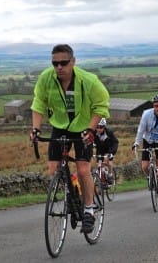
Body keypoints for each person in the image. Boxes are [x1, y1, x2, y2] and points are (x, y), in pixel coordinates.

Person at [30, 44, 109, 233]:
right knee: (54, 169)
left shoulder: (89, 80)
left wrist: (91, 129)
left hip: (83, 127)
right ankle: (73, 193)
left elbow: (101, 106)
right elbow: (39, 103)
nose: (59, 67)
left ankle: (88, 209)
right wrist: (35, 128)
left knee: (83, 169)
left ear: (73, 62)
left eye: (63, 63)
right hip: (59, 126)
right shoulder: (46, 78)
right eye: (55, 63)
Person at [132, 94, 158, 200]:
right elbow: (141, 130)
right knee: (145, 166)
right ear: (153, 106)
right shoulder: (146, 114)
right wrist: (136, 143)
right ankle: (152, 176)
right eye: (155, 105)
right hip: (148, 140)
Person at [94, 118, 119, 184]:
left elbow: (115, 143)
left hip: (109, 149)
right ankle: (102, 183)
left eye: (101, 127)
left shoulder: (109, 132)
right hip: (100, 150)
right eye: (97, 127)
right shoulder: (94, 133)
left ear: (104, 127)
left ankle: (110, 175)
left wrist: (111, 153)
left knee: (108, 161)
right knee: (99, 165)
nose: (98, 129)